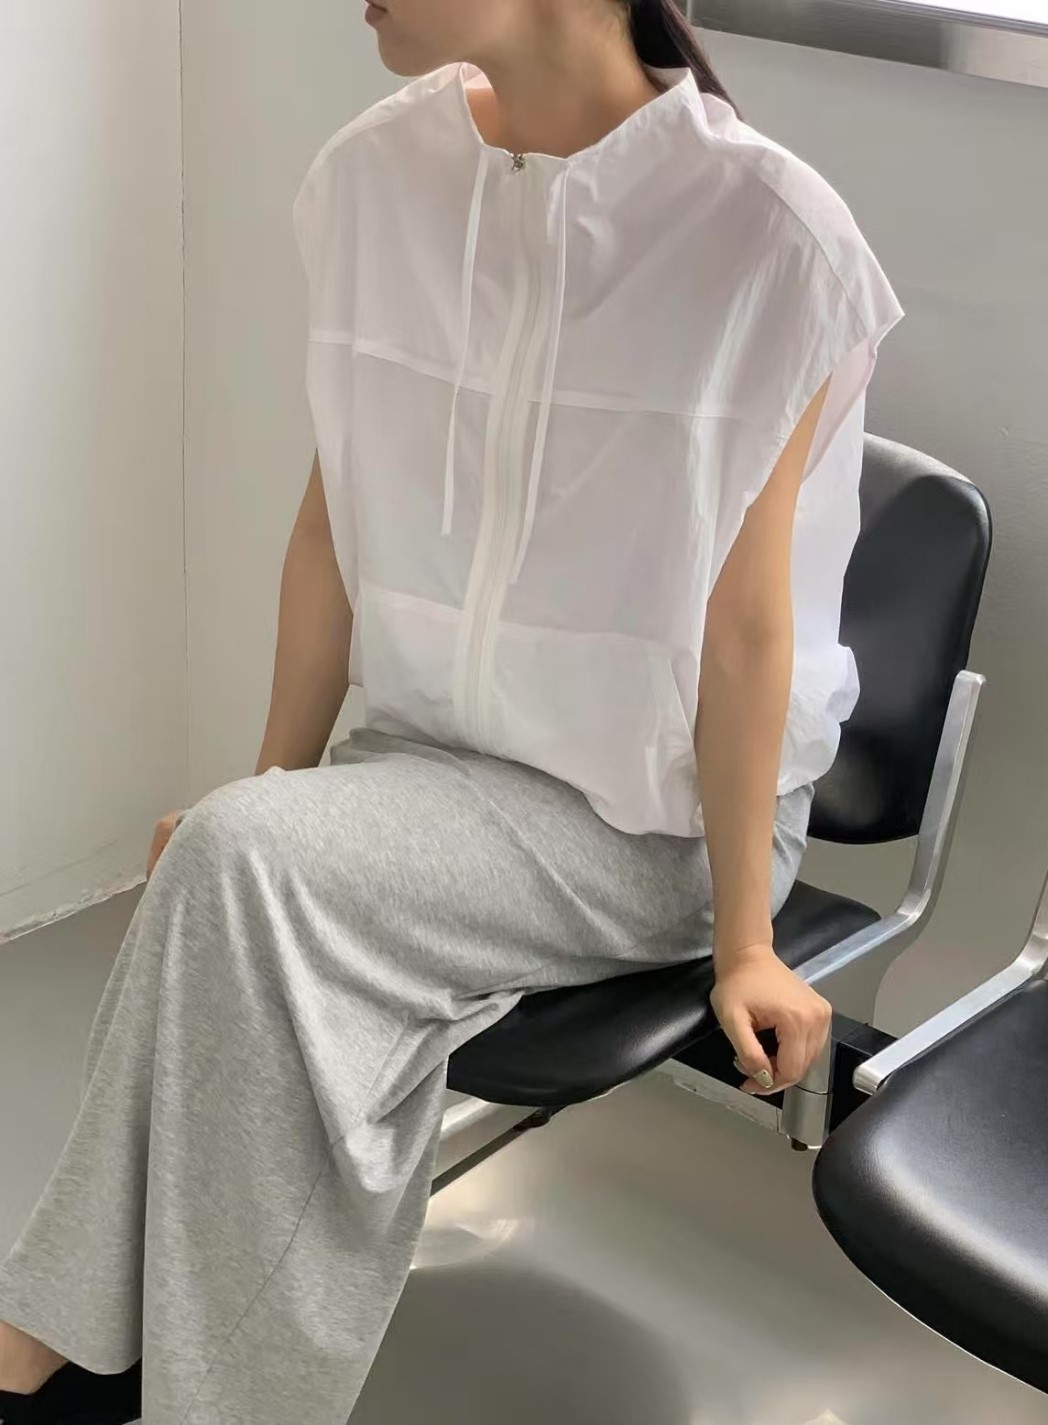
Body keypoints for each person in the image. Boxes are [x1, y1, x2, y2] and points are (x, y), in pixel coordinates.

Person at [0, 0, 903, 1420]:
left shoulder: (769, 238)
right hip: (428, 762)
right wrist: (276, 782)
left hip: (651, 820)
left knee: (238, 863)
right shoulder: (374, 181)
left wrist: (744, 942)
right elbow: (331, 531)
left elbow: (746, 633)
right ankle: (83, 1347)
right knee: (235, 858)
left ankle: (68, 1348)